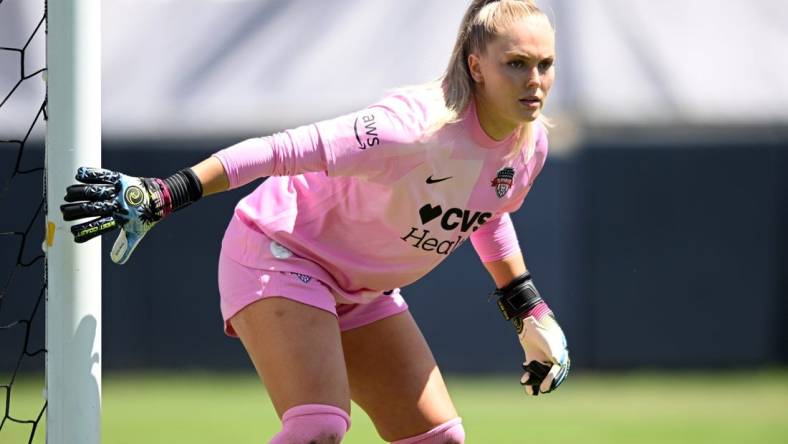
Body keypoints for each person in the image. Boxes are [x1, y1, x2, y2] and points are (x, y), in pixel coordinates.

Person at [60, 1, 570, 442]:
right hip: (281, 253)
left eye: (545, 64)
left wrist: (530, 311)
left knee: (437, 437)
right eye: (517, 64)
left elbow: (485, 211)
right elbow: (277, 150)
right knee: (318, 427)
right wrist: (168, 191)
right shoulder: (410, 129)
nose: (535, 81)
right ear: (476, 66)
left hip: (363, 289)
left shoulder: (529, 144)